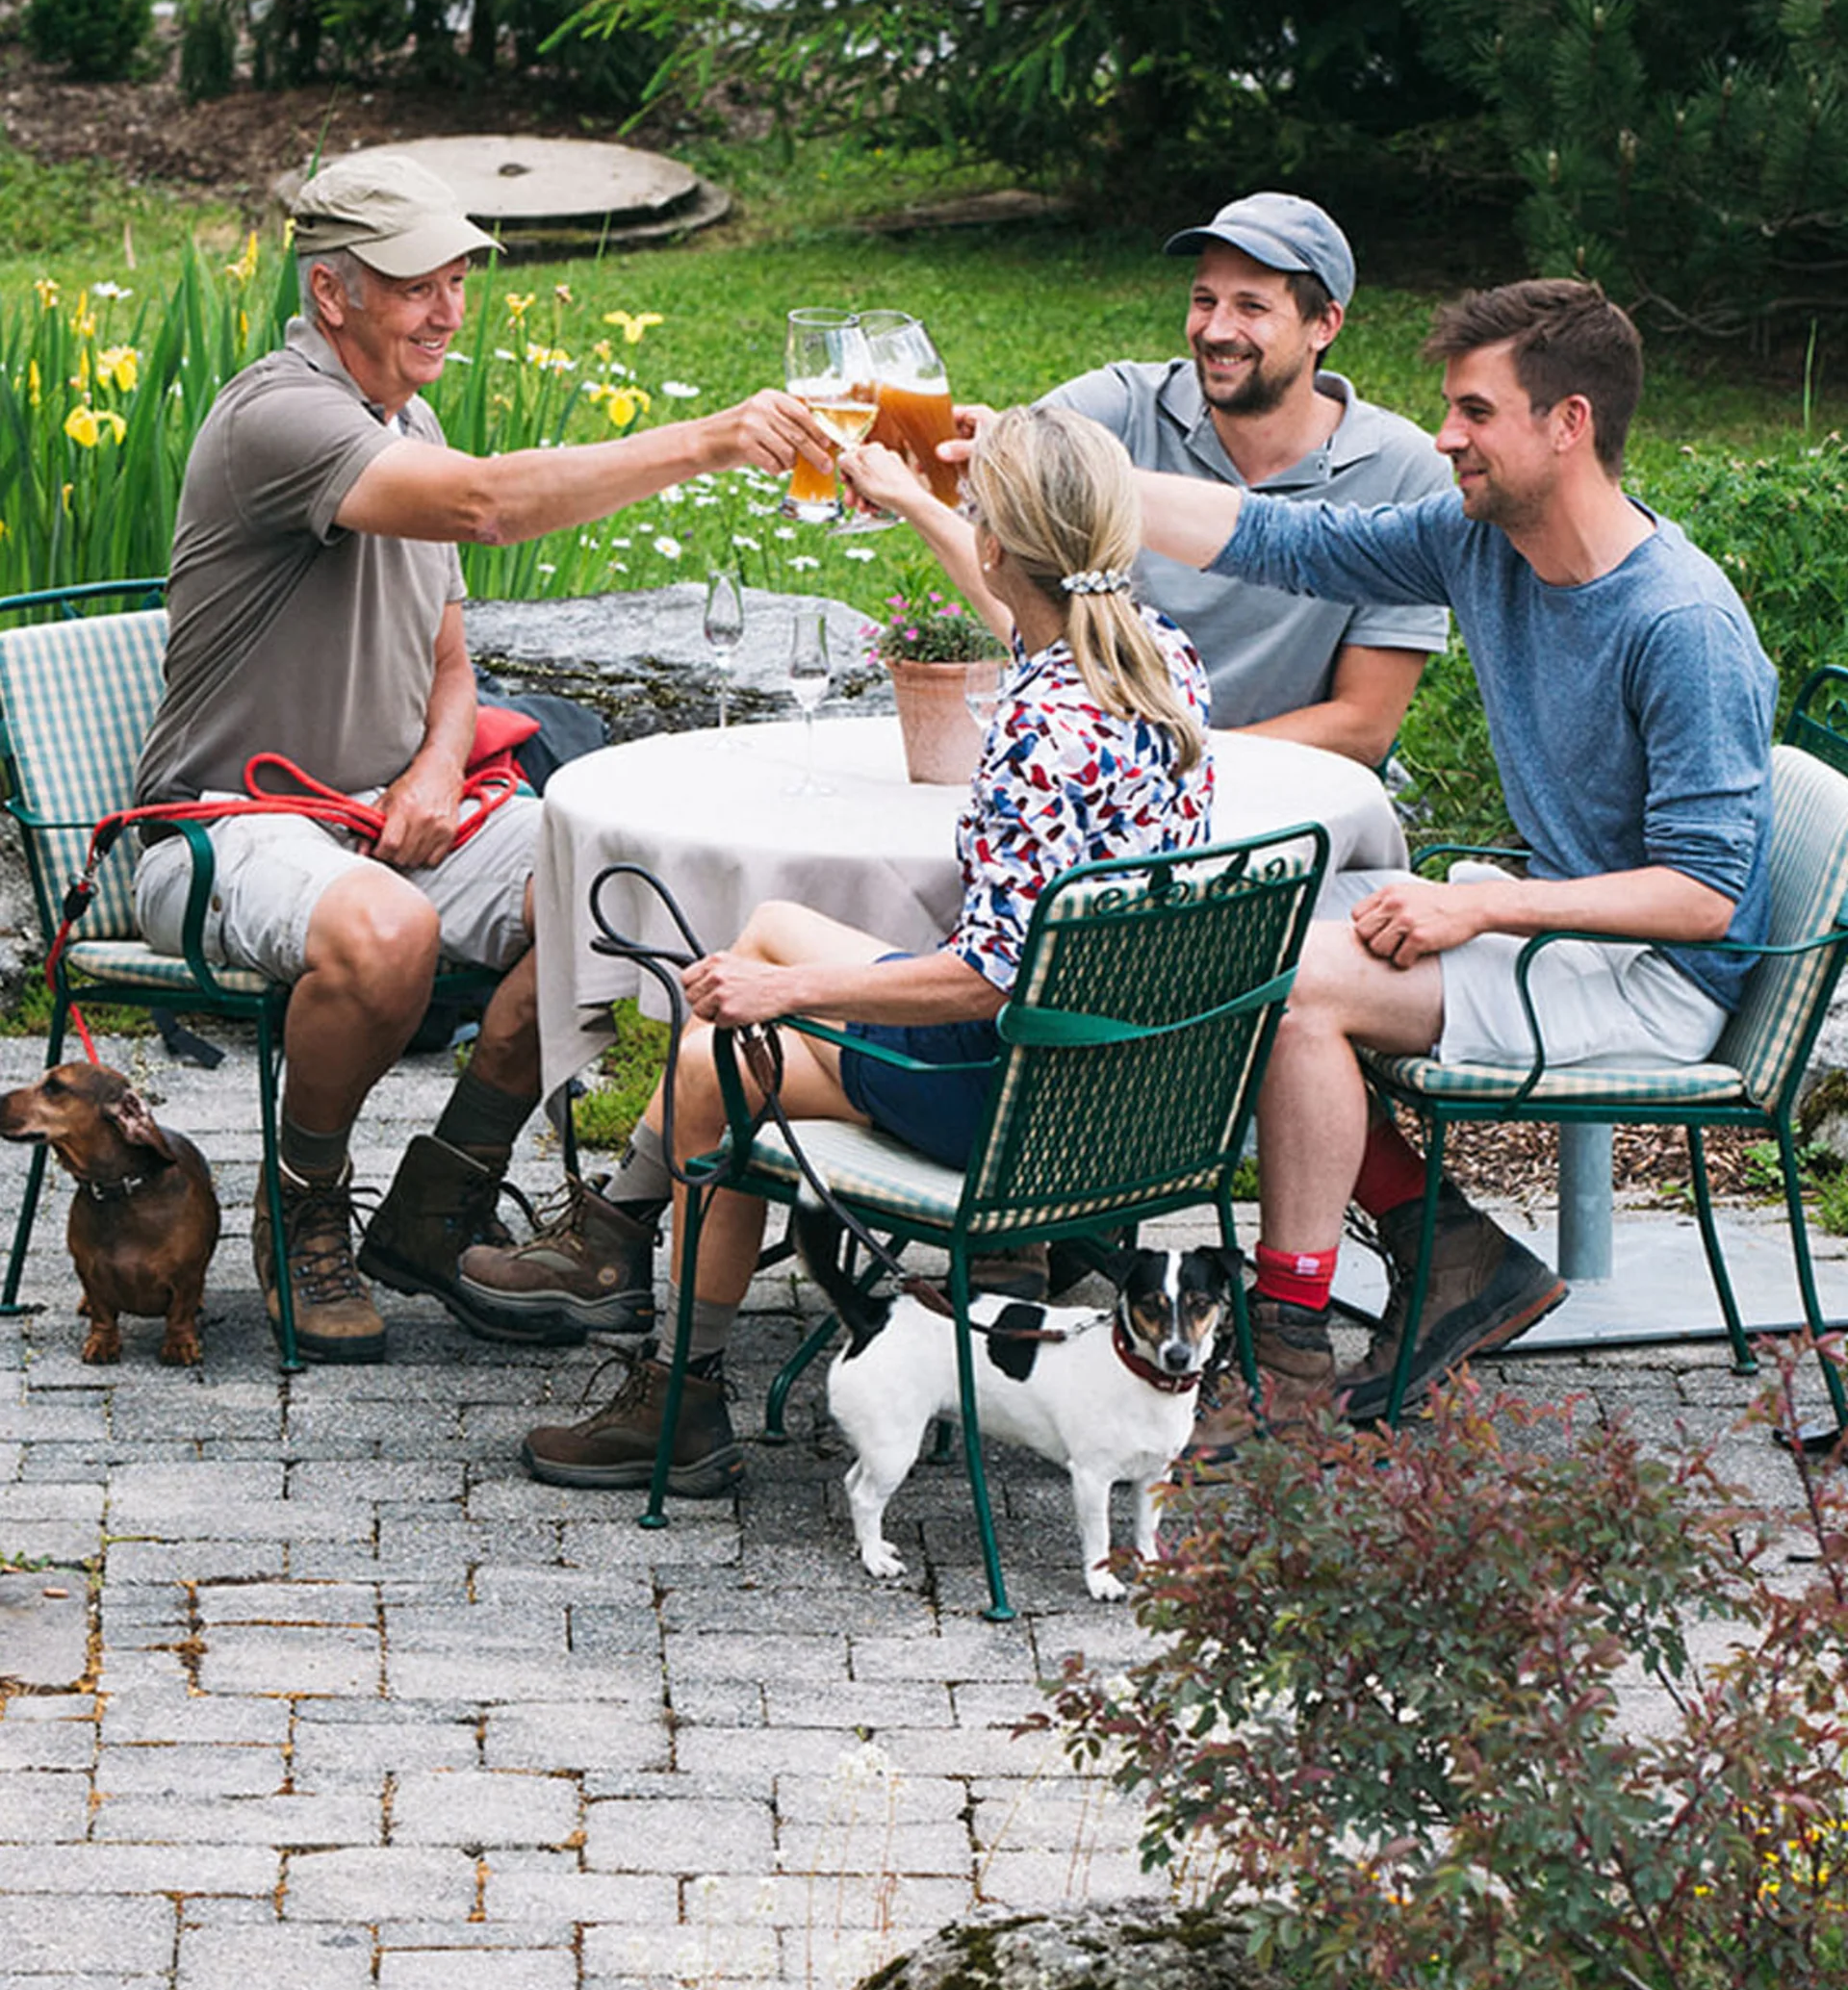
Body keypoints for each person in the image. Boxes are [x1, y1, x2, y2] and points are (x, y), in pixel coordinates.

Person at [132, 150, 829, 1363]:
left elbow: (450, 658)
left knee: (623, 896)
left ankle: (444, 1197)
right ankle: (303, 1197)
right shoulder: (282, 414)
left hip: (393, 813)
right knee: (387, 934)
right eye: (417, 284)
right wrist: (708, 441)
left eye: (457, 279)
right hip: (221, 825)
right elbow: (487, 506)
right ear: (333, 291)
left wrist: (439, 769)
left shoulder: (415, 414)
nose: (448, 309)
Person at [488, 404, 1217, 1494]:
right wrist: (919, 499)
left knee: (713, 1059)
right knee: (773, 920)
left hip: (1011, 1098)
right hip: (1124, 1084)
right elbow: (1025, 613)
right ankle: (619, 1230)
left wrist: (780, 993)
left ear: (1001, 544)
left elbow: (986, 979)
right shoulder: (1154, 661)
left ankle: (674, 1398)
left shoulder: (1039, 732)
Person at [1127, 276, 1776, 1449]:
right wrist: (1098, 491)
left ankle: (1291, 1358)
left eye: (1475, 411)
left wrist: (1480, 913)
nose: (1444, 437)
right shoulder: (1487, 542)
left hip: (1652, 977)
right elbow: (1289, 539)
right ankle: (1447, 1251)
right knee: (1227, 932)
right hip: (1547, 926)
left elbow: (1702, 894)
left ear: (1566, 423)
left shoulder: (1679, 625)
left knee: (1291, 988)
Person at [1040, 191, 1451, 763]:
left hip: (1281, 789)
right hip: (1103, 773)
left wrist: (1174, 763)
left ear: (1324, 324)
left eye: (1251, 307)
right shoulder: (1124, 407)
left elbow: (1363, 726)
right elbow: (1008, 467)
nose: (1215, 330)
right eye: (1204, 300)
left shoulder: (1405, 472)